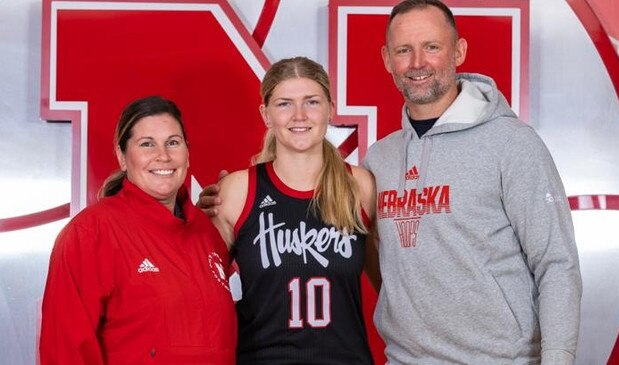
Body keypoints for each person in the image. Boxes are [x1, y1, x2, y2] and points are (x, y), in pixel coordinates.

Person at [362, 0, 582, 364]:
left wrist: (558, 359)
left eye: (432, 47)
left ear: (458, 51)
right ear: (387, 59)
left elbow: (556, 263)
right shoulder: (380, 159)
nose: (417, 63)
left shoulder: (512, 144)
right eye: (404, 50)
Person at [39, 96, 237, 364]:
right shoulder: (91, 233)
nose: (163, 156)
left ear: (187, 153)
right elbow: (65, 350)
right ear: (122, 157)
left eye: (173, 142)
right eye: (147, 144)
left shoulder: (206, 232)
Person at [210, 56, 379, 364]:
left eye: (312, 102)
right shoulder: (238, 191)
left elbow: (392, 285)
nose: (299, 115)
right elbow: (198, 290)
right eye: (285, 104)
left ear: (330, 108)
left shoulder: (360, 187)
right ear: (266, 114)